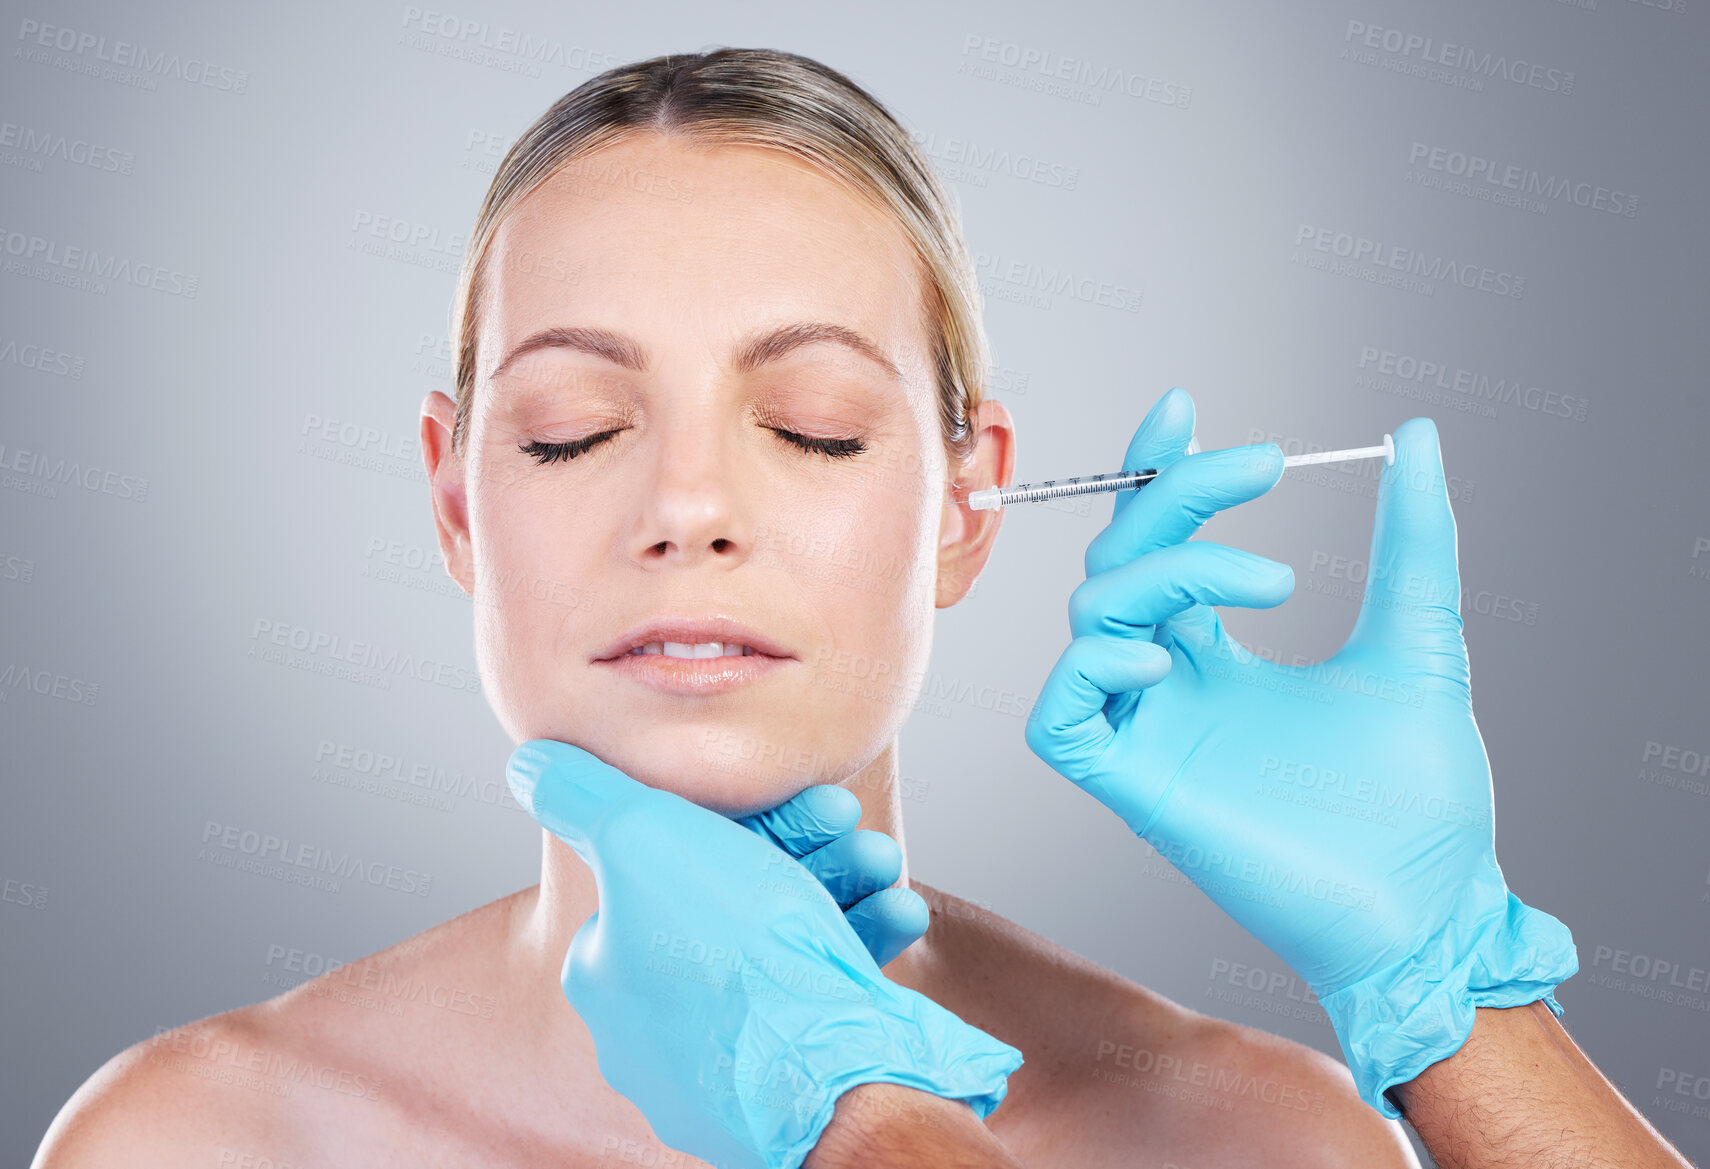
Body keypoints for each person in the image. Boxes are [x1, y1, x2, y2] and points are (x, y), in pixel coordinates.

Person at [29, 48, 1685, 1169]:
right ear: (458, 496)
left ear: (968, 503)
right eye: (572, 431)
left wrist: (1452, 998)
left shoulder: (1247, 1135)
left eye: (812, 425)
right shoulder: (207, 1138)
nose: (685, 508)